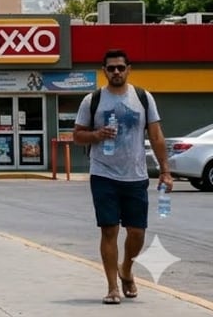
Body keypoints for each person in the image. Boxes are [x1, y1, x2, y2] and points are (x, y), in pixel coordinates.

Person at [72, 49, 173, 305]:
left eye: (120, 67)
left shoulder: (143, 97)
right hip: (103, 173)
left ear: (129, 69)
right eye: (111, 68)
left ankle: (126, 268)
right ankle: (112, 287)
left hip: (136, 175)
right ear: (103, 71)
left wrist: (165, 170)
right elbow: (77, 135)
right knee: (109, 230)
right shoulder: (92, 100)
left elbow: (156, 136)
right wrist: (96, 135)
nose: (116, 72)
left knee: (137, 233)